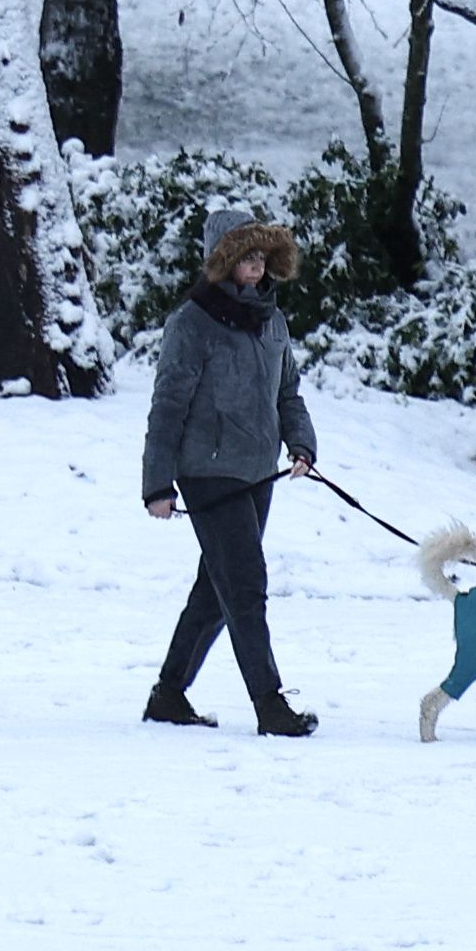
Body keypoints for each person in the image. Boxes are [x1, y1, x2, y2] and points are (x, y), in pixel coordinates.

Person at [141, 206, 322, 735]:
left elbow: (288, 392)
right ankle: (270, 704)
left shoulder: (273, 321)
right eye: (246, 256)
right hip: (208, 473)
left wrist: (302, 445)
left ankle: (169, 695)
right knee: (244, 585)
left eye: (263, 256)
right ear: (222, 262)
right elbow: (167, 406)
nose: (257, 266)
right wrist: (157, 483)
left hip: (258, 472)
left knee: (215, 591)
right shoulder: (190, 324)